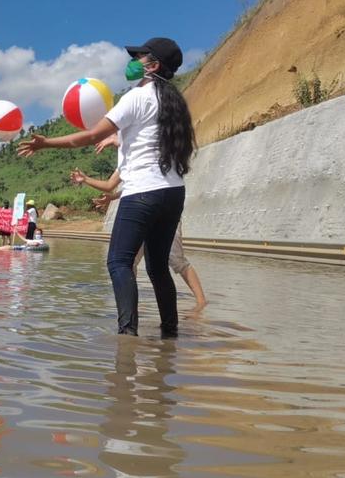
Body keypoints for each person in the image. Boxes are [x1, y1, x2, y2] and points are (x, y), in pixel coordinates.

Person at [19, 37, 195, 338]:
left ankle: (127, 336)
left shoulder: (137, 97)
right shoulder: (175, 103)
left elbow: (88, 136)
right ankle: (170, 336)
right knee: (158, 268)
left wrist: (46, 143)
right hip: (173, 193)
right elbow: (148, 140)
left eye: (140, 57)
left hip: (142, 192)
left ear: (152, 65)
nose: (133, 61)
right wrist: (121, 140)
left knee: (118, 261)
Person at [71, 166, 208, 311]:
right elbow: (125, 186)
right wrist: (111, 195)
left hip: (163, 214)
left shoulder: (155, 152)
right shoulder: (128, 156)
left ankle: (201, 303)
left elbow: (151, 184)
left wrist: (86, 179)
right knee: (130, 262)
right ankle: (130, 307)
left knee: (176, 260)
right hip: (139, 215)